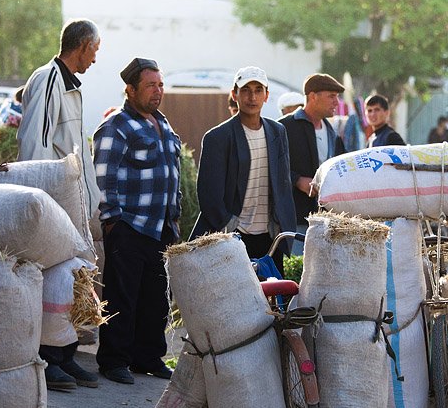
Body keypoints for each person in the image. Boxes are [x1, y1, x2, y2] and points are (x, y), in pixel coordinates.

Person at [17, 19, 101, 391]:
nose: (95, 60)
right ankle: (47, 358)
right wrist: (38, 204)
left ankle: (64, 355)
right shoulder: (47, 79)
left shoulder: (70, 86)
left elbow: (74, 149)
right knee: (48, 276)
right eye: (95, 51)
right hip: (51, 202)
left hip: (70, 202)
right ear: (82, 46)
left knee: (68, 278)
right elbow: (34, 146)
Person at [93, 58, 181, 385]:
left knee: (156, 296)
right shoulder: (116, 125)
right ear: (130, 90)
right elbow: (104, 175)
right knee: (122, 296)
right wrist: (113, 220)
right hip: (129, 225)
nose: (158, 91)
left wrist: (176, 213)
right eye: (150, 85)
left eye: (160, 84)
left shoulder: (162, 123)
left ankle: (149, 357)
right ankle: (114, 360)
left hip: (160, 226)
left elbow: (174, 173)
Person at [190, 66, 297, 271]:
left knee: (273, 299)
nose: (252, 96)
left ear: (266, 96)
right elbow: (208, 194)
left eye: (258, 90)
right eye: (245, 90)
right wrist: (228, 225)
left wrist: (284, 225)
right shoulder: (218, 137)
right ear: (235, 95)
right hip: (232, 235)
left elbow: (283, 183)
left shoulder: (277, 131)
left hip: (270, 235)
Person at [279, 73, 346, 244]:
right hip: (294, 220)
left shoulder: (332, 133)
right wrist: (297, 180)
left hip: (326, 219)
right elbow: (272, 166)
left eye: (337, 97)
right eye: (331, 96)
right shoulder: (283, 127)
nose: (336, 103)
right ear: (313, 96)